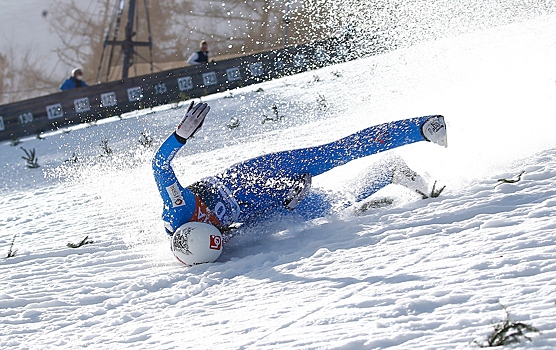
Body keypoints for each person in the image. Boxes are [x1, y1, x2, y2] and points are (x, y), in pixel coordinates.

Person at [152, 102, 448, 265]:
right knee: (335, 204)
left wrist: (180, 135)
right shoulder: (210, 252)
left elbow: (160, 164)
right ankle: (389, 171)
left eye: (208, 223)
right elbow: (251, 228)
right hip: (270, 202)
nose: (214, 224)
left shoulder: (177, 207)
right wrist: (284, 203)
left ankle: (420, 128)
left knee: (332, 154)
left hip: (252, 175)